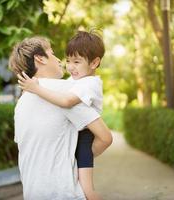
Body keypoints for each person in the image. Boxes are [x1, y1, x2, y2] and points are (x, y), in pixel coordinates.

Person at [9, 36, 112, 200]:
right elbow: (105, 138)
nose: (59, 60)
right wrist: (81, 159)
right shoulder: (65, 89)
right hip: (64, 192)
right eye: (52, 53)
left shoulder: (22, 101)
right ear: (40, 58)